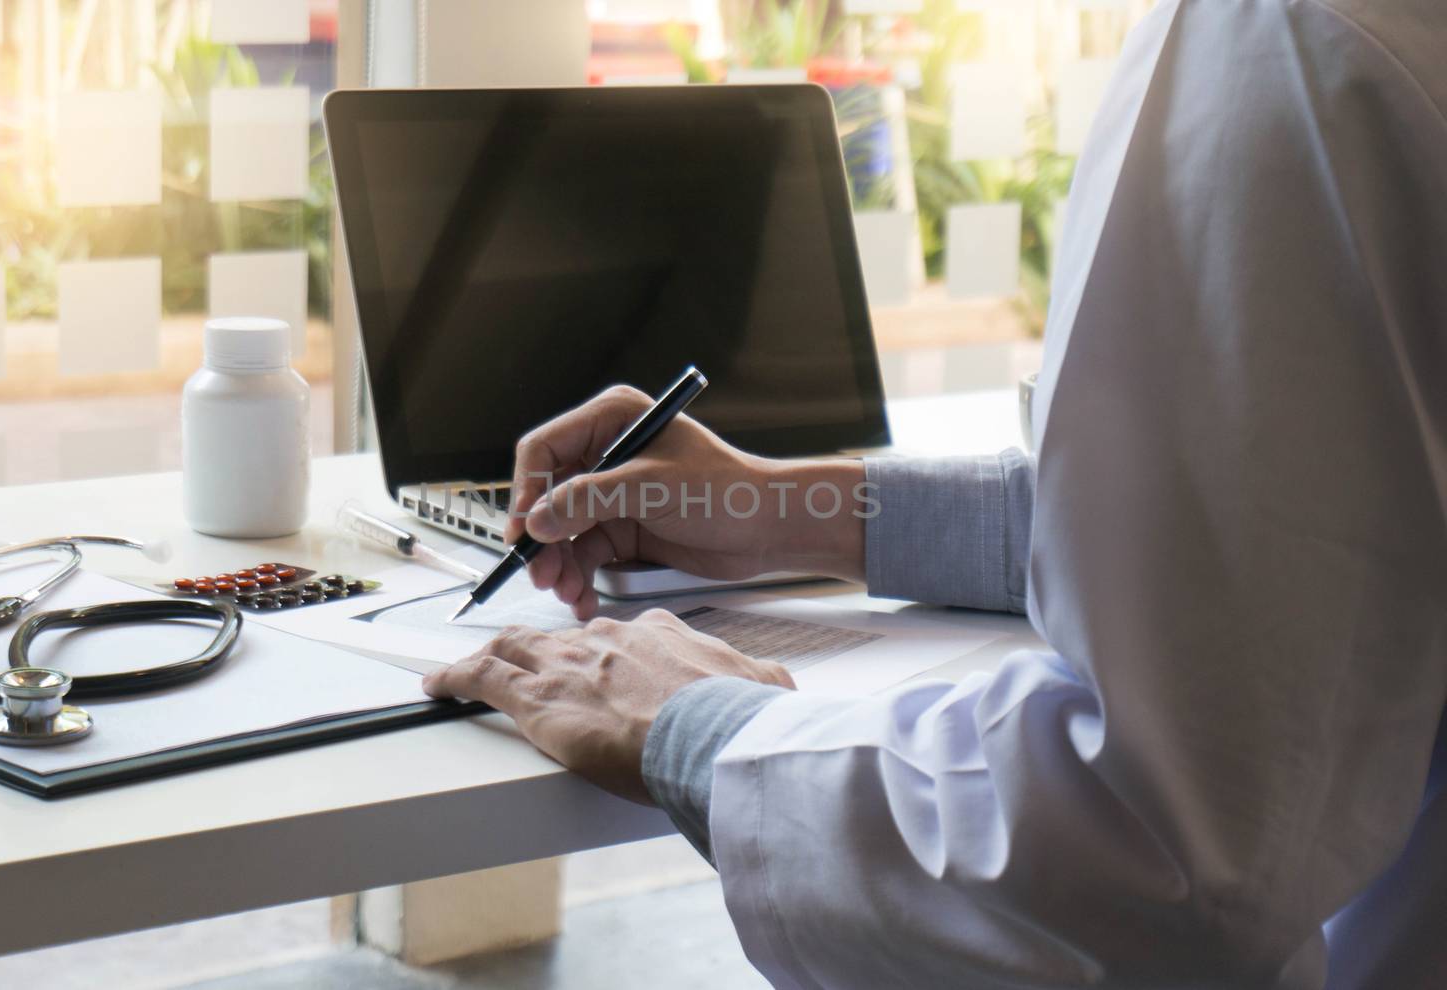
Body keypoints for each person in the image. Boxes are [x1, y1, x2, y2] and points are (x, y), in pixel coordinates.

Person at [423, 0, 1447, 985]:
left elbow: (1152, 868)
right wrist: (792, 508)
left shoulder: (1290, 43)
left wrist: (691, 728)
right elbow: (1314, 515)